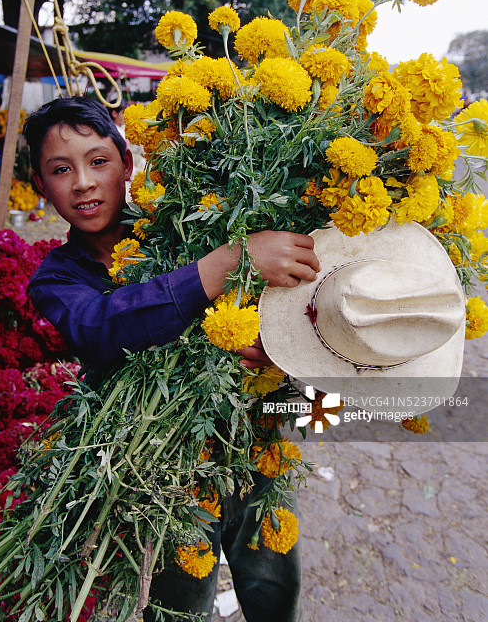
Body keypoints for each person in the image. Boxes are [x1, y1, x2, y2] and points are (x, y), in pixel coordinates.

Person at [24, 96, 321, 622]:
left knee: (276, 584)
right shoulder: (57, 279)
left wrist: (271, 345)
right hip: (165, 479)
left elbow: (280, 304)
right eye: (60, 170)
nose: (84, 183)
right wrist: (231, 260)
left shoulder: (186, 224)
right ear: (40, 185)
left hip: (252, 443)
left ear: (126, 164)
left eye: (98, 162)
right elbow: (100, 328)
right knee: (180, 605)